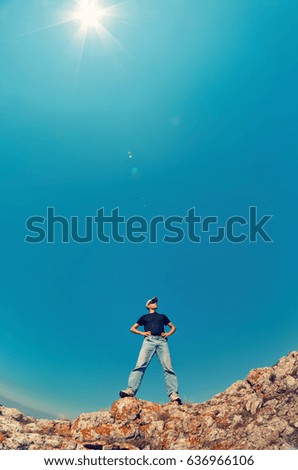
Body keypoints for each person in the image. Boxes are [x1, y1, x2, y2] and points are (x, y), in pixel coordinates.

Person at [119, 296, 182, 404]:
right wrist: (142, 333)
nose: (155, 303)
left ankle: (173, 394)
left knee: (168, 367)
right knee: (140, 365)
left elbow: (173, 327)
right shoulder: (144, 317)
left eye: (156, 301)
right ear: (148, 306)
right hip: (148, 341)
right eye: (153, 302)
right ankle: (131, 390)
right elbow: (132, 328)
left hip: (162, 342)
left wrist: (167, 334)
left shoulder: (162, 316)